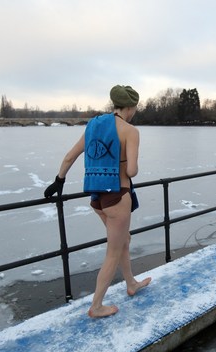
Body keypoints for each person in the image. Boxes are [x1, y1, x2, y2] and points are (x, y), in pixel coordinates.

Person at [44, 85, 151, 318]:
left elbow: (70, 156)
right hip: (117, 197)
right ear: (131, 107)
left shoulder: (93, 125)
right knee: (113, 251)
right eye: (135, 108)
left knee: (124, 239)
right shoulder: (130, 131)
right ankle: (96, 306)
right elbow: (132, 171)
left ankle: (131, 283)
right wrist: (129, 163)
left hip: (97, 198)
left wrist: (58, 181)